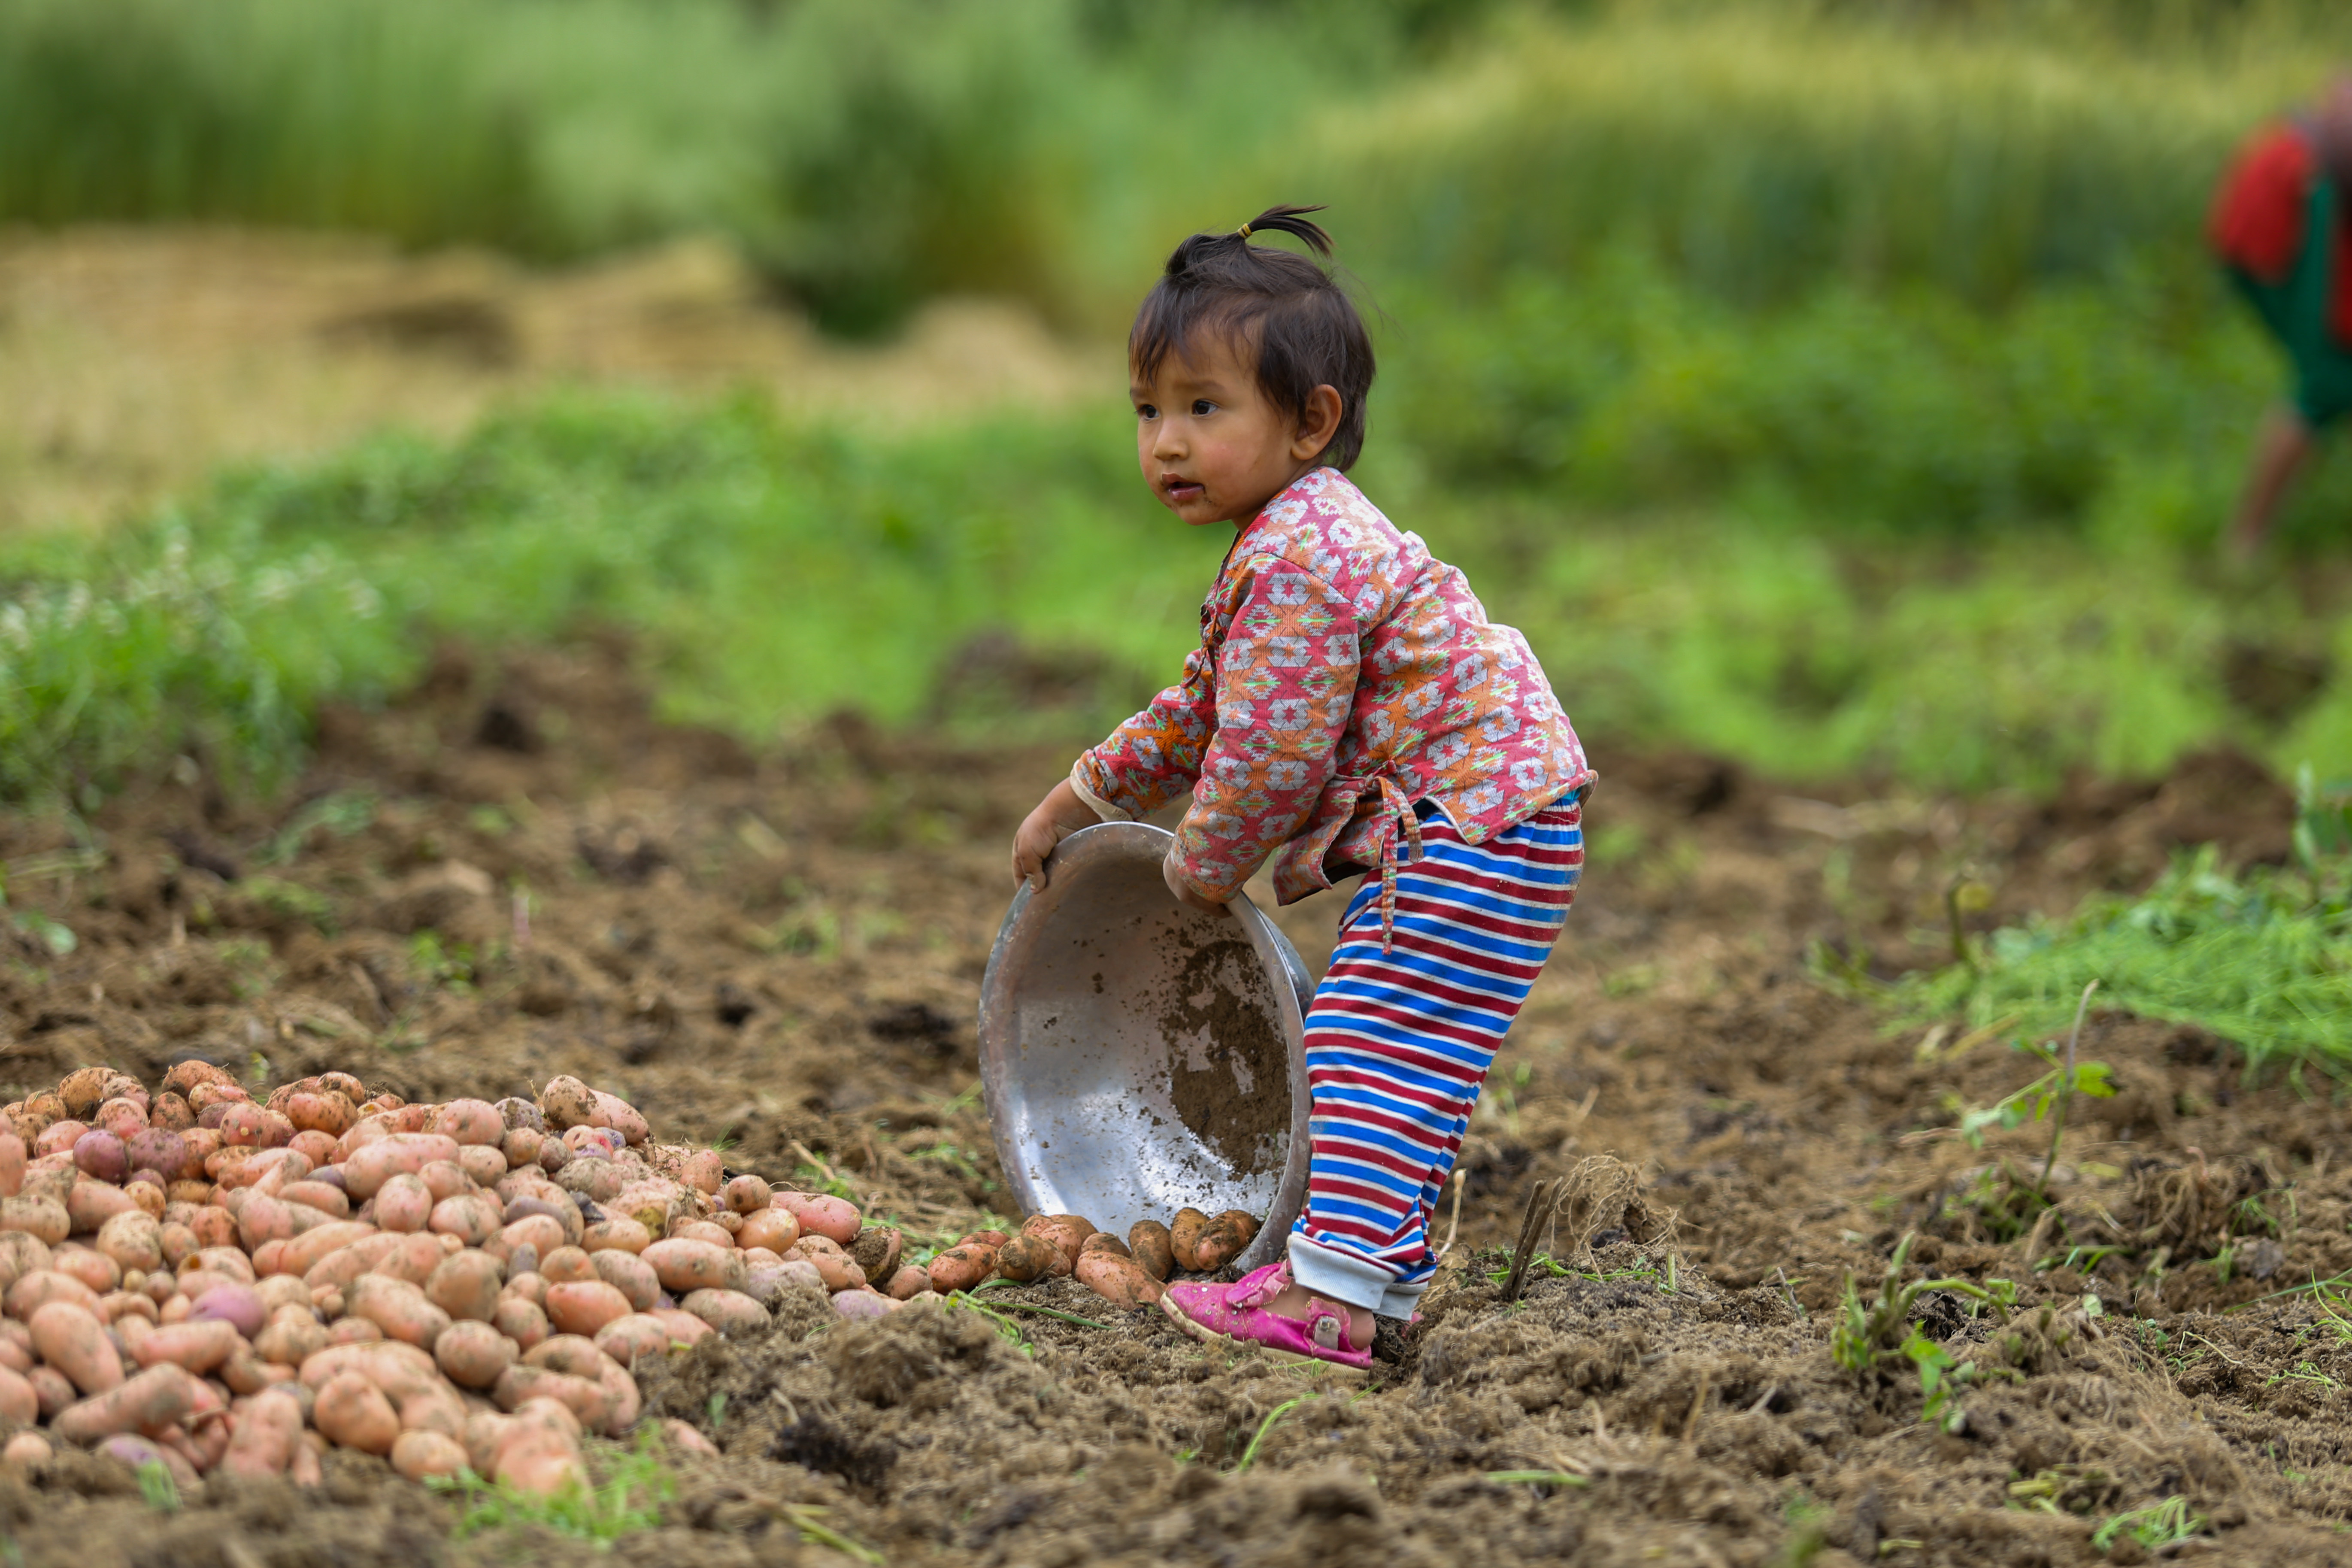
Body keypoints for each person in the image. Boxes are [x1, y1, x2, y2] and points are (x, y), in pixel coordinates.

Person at [1008, 205, 1593, 1369]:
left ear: (1311, 421)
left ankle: (1331, 1297)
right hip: (1501, 815)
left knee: (1367, 1039)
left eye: (1204, 408)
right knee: (1406, 1042)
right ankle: (1373, 1271)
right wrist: (1077, 797)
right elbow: (1201, 711)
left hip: (1466, 823)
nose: (1167, 441)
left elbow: (1269, 754)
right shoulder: (1284, 541)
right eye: (1149, 411)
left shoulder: (1299, 560)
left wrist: (1200, 866)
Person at [2216, 75, 2352, 559]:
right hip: (2286, 223)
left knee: (2331, 378)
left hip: (2306, 222)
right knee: (2327, 381)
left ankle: (2244, 541)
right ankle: (2243, 541)